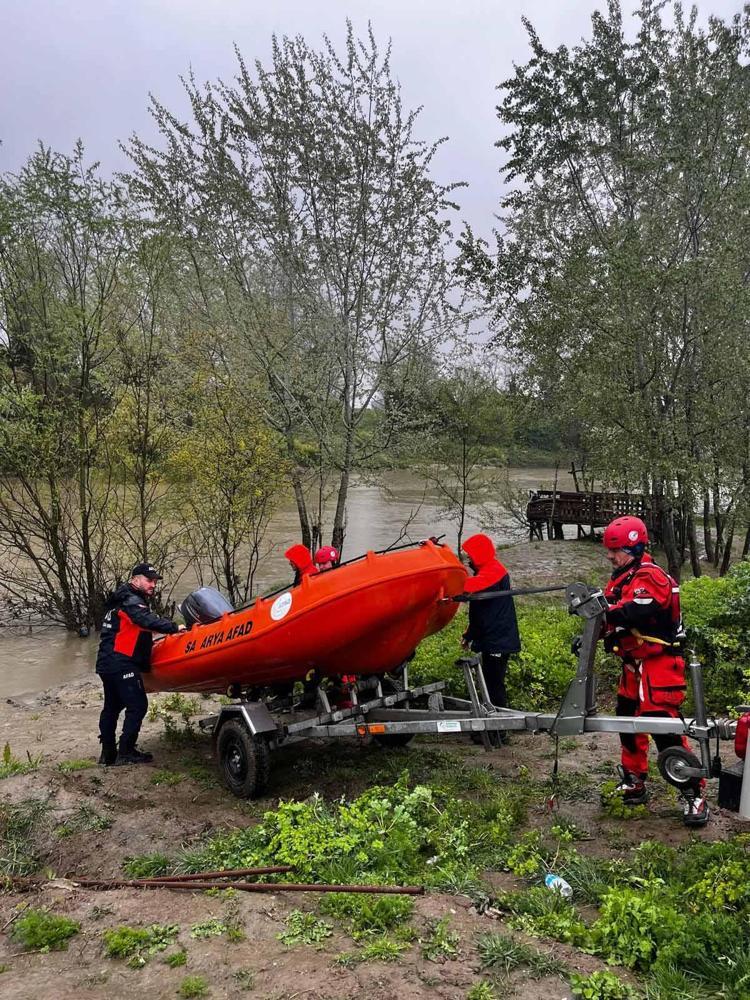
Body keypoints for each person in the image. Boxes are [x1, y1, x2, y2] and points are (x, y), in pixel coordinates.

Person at [598, 515, 708, 827]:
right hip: (634, 667)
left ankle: (693, 793)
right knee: (628, 723)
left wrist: (604, 612)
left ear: (634, 548)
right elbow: (611, 609)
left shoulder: (650, 577)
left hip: (658, 665)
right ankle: (634, 780)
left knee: (663, 728)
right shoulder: (623, 577)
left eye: (615, 550)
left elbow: (637, 609)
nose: (610, 556)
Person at [96, 563, 186, 766]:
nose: (153, 584)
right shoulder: (132, 601)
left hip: (107, 662)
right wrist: (174, 627)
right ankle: (126, 752)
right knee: (137, 705)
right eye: (148, 580)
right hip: (121, 663)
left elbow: (130, 628)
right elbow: (144, 620)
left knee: (112, 707)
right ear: (134, 579)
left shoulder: (120, 599)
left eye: (154, 581)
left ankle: (108, 753)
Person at [459, 533, 521, 715]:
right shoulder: (488, 570)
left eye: (470, 556)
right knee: (489, 684)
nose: (468, 559)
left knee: (494, 686)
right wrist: (468, 635)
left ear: (479, 554)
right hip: (494, 638)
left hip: (498, 640)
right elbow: (480, 613)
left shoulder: (493, 573)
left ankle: (499, 730)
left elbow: (467, 587)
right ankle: (492, 726)